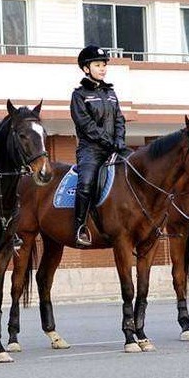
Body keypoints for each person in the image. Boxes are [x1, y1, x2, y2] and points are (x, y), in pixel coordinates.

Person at [70, 45, 127, 247]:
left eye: (104, 65)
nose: (102, 68)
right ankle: (80, 227)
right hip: (91, 150)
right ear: (86, 68)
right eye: (97, 65)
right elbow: (86, 125)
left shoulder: (110, 93)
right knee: (85, 183)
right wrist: (109, 141)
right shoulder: (79, 95)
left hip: (115, 147)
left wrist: (120, 139)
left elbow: (119, 119)